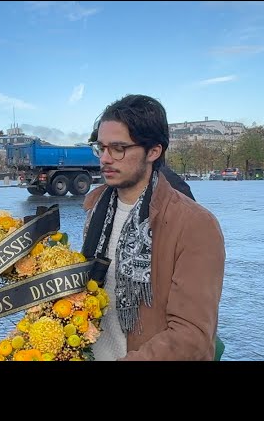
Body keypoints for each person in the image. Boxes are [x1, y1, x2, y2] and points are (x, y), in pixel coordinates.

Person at [82, 94, 225, 360]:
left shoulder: (196, 225)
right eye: (100, 148)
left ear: (154, 151)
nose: (105, 159)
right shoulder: (95, 210)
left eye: (118, 148)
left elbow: (191, 336)